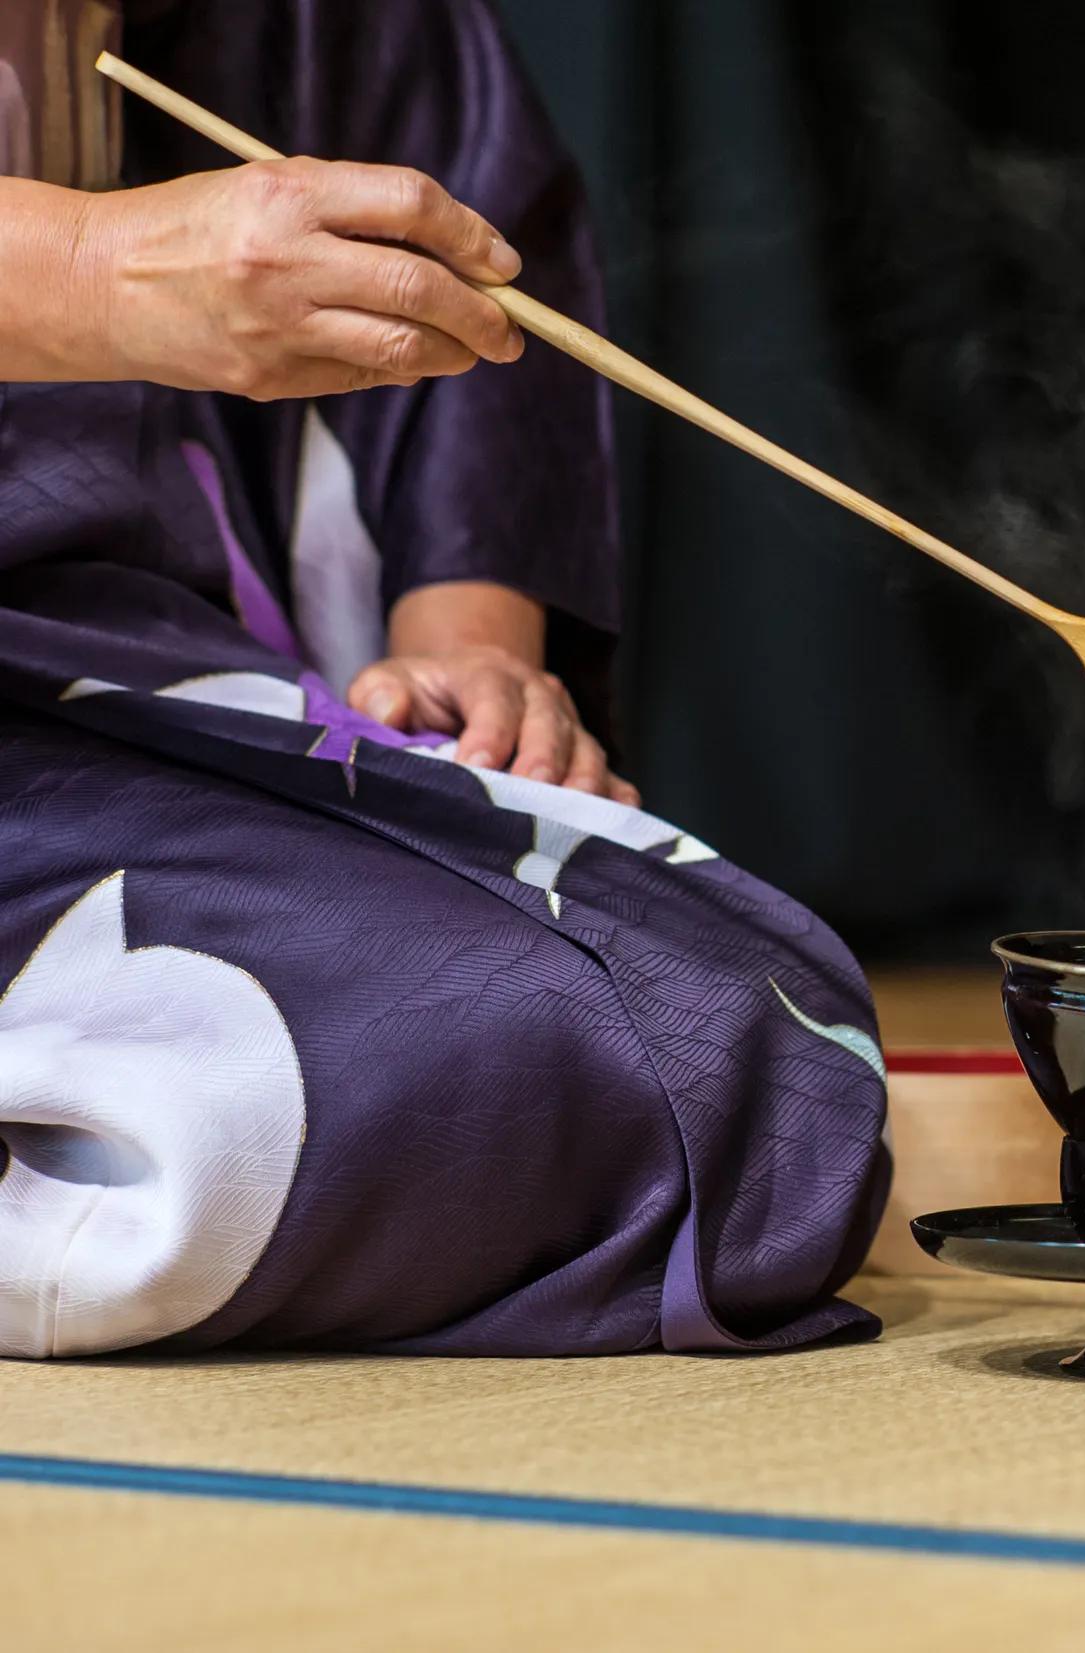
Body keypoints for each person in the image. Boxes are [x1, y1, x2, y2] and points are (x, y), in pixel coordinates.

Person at [0, 0, 889, 1357]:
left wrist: (466, 653)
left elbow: (448, 223)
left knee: (741, 1021)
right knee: (295, 1084)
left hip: (110, 674)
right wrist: (84, 269)